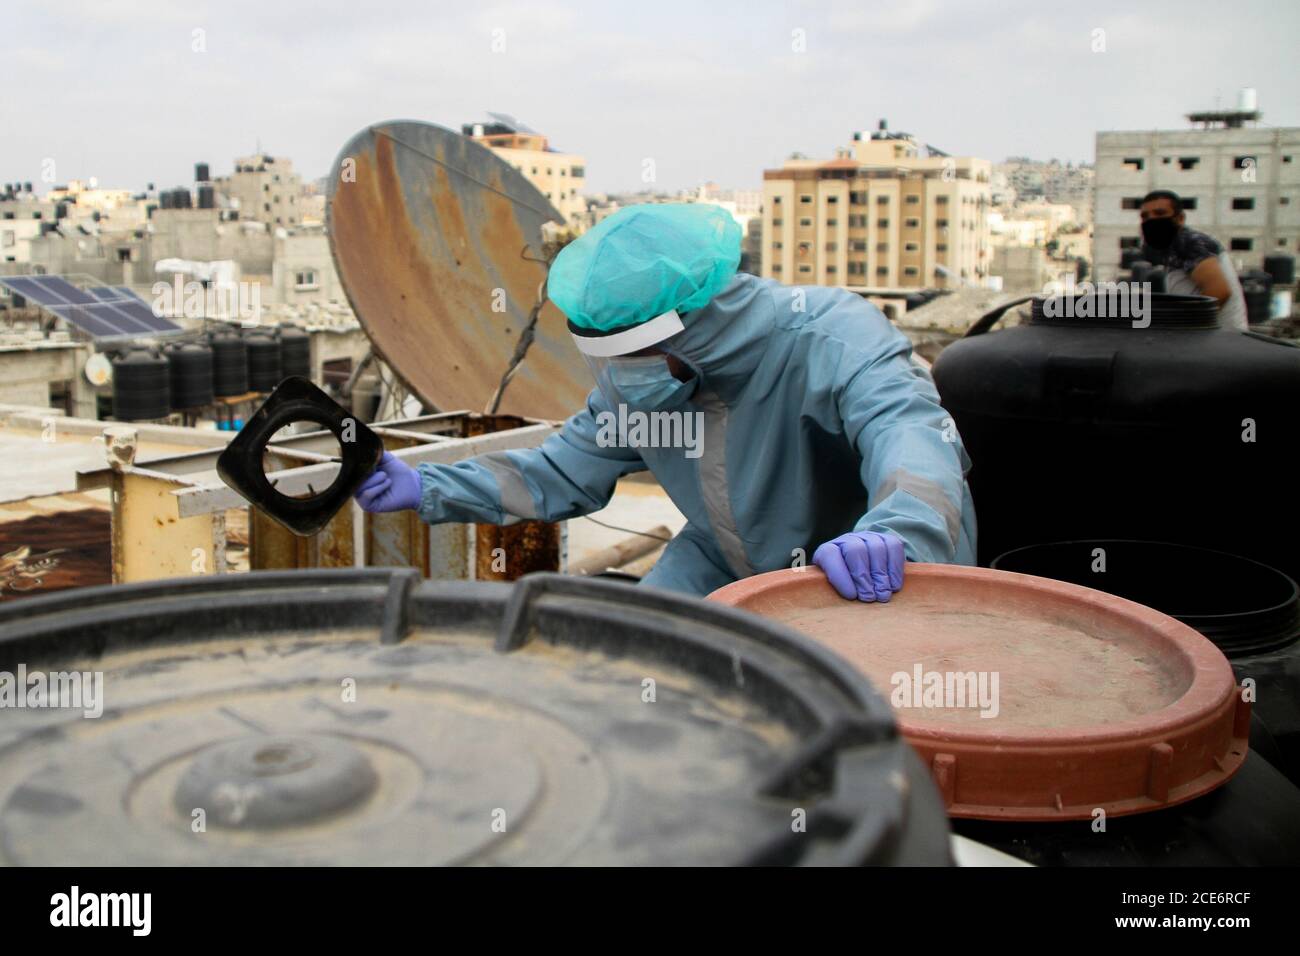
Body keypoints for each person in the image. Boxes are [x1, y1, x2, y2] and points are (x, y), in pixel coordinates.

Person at [354, 203, 976, 601]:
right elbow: (558, 472)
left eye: (632, 356)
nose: (620, 378)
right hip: (725, 558)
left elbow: (912, 439)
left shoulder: (831, 339)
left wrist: (897, 533)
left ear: (695, 326)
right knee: (638, 666)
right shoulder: (642, 385)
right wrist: (428, 486)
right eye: (606, 359)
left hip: (864, 570)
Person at [1138, 190, 1247, 329]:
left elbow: (1219, 291)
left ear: (1180, 219)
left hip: (1218, 340)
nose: (1151, 220)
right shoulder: (1174, 247)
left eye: (1160, 213)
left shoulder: (1189, 242)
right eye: (1145, 217)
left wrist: (1186, 327)